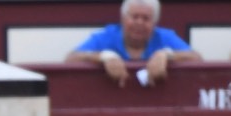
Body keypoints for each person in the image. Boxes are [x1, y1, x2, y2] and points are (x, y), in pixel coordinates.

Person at [66, 0, 202, 87]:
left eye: (146, 18)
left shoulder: (164, 37)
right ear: (123, 19)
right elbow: (70, 59)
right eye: (134, 17)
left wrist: (168, 55)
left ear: (154, 23)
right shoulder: (107, 36)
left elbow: (197, 59)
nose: (139, 23)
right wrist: (103, 57)